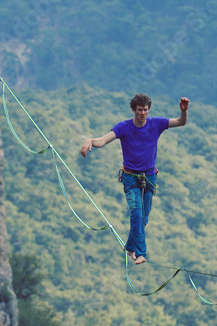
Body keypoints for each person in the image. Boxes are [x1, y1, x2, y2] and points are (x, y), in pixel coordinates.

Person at [80, 94, 190, 264]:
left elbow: (181, 122)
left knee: (144, 218)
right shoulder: (124, 127)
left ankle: (130, 247)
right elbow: (102, 140)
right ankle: (140, 253)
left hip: (150, 177)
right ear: (133, 110)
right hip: (130, 178)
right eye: (140, 110)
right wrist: (89, 141)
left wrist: (183, 111)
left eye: (145, 110)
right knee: (137, 214)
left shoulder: (156, 124)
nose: (143, 113)